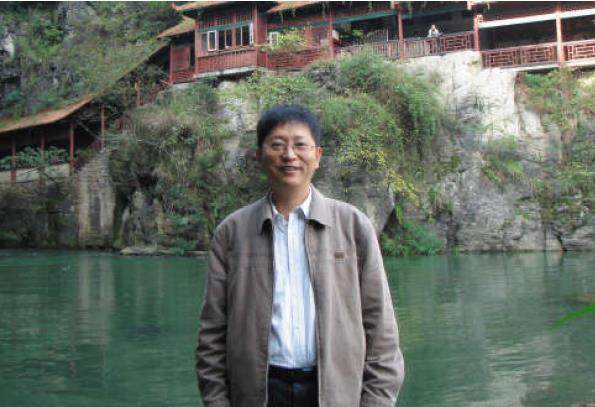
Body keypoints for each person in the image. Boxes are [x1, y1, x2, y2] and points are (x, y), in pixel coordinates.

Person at [196, 104, 404, 407]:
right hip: (258, 393)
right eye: (277, 145)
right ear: (259, 156)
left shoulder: (353, 226)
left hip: (335, 393)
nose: (289, 155)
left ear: (317, 156)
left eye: (300, 145)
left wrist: (376, 402)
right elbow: (212, 336)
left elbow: (381, 330)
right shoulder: (232, 232)